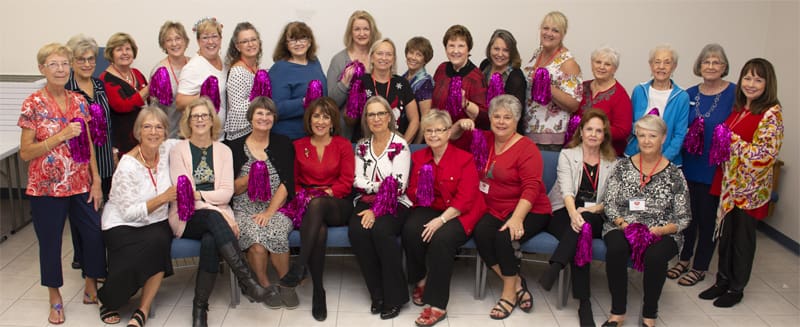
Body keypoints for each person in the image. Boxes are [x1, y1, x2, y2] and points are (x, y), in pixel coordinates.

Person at [18, 43, 106, 325]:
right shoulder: (33, 103)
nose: (60, 69)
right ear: (42, 68)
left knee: (93, 233)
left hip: (81, 183)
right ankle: (54, 297)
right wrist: (60, 135)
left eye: (64, 64)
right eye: (53, 64)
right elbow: (25, 152)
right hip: (46, 187)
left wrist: (96, 182)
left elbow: (89, 143)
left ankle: (91, 284)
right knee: (51, 242)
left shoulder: (79, 101)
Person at [168, 98, 276, 327]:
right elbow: (185, 196)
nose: (199, 120)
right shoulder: (178, 150)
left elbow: (226, 194)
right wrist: (221, 214)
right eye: (195, 116)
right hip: (187, 216)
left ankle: (200, 308)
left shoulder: (224, 150)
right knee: (213, 218)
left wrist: (204, 198)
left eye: (204, 116)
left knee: (210, 241)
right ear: (188, 121)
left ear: (211, 120)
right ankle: (248, 281)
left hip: (215, 219)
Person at [450, 95, 549, 320]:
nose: (501, 121)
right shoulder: (484, 139)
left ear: (516, 121)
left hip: (531, 209)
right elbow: (452, 140)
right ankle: (515, 283)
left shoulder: (527, 148)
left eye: (508, 117)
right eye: (497, 116)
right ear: (490, 118)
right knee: (482, 233)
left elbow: (532, 188)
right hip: (494, 207)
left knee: (504, 238)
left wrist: (517, 218)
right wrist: (458, 125)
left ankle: (507, 296)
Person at [700, 58, 784, 308]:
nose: (751, 84)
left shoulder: (771, 113)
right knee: (725, 236)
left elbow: (766, 156)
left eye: (758, 79)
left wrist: (732, 140)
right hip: (728, 186)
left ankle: (737, 287)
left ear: (767, 84)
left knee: (742, 240)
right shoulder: (739, 108)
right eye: (747, 78)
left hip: (749, 191)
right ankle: (722, 280)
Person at [601, 115, 691, 327]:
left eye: (652, 135)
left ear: (663, 138)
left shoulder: (674, 174)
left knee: (655, 257)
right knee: (615, 249)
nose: (647, 140)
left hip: (662, 229)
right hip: (623, 224)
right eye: (642, 135)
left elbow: (684, 216)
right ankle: (617, 312)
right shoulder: (622, 167)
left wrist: (660, 230)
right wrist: (625, 225)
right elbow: (610, 203)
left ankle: (649, 314)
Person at [403, 110, 487, 327]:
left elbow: (466, 199)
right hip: (433, 205)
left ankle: (437, 304)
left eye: (438, 130)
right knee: (411, 229)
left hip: (462, 211)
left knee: (442, 239)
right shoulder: (418, 157)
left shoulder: (464, 158)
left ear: (449, 132)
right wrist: (423, 188)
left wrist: (440, 221)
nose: (433, 135)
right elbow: (412, 191)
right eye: (428, 131)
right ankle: (421, 278)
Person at [97, 107, 177, 327]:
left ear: (165, 132)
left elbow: (195, 141)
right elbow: (129, 212)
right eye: (147, 127)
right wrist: (163, 198)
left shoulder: (169, 148)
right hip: (123, 222)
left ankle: (143, 309)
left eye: (159, 127)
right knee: (133, 256)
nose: (153, 132)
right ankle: (109, 299)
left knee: (159, 241)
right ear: (138, 132)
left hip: (156, 221)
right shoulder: (127, 165)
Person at [278, 97, 355, 321]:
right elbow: (295, 182)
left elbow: (346, 181)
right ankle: (318, 291)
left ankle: (300, 265)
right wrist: (307, 196)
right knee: (318, 228)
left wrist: (322, 194)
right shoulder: (298, 146)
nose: (320, 121)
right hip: (308, 205)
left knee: (318, 204)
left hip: (337, 204)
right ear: (309, 120)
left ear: (332, 122)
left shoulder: (343, 145)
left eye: (326, 116)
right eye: (316, 116)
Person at [541, 109, 618, 326]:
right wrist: (574, 213)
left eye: (599, 131)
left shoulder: (613, 162)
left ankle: (555, 266)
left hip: (595, 213)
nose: (593, 134)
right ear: (581, 132)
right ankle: (584, 304)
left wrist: (589, 212)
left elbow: (612, 199)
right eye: (589, 129)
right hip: (564, 210)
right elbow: (566, 191)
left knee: (584, 229)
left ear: (605, 136)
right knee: (580, 234)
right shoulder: (568, 154)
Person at [668, 44, 735, 286]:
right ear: (699, 66)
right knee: (688, 218)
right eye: (707, 62)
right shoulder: (689, 94)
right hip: (689, 165)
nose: (711, 66)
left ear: (724, 67)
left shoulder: (734, 94)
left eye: (716, 62)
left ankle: (700, 266)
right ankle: (683, 259)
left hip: (714, 169)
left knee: (708, 220)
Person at [225, 97, 296, 309]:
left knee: (276, 231)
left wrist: (269, 213)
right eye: (259, 113)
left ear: (274, 118)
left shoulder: (283, 143)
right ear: (250, 117)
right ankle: (264, 285)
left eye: (268, 114)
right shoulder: (234, 147)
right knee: (256, 241)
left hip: (277, 206)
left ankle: (286, 284)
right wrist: (252, 177)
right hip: (244, 208)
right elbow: (229, 188)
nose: (264, 117)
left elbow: (287, 183)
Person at [348, 96, 412, 320]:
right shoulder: (362, 145)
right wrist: (379, 187)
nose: (376, 119)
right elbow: (356, 180)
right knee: (357, 231)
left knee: (381, 231)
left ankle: (395, 297)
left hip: (395, 203)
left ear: (389, 117)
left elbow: (398, 186)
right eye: (371, 114)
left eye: (380, 113)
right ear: (366, 119)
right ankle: (377, 294)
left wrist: (375, 208)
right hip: (365, 202)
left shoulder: (400, 145)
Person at [65, 34, 115, 271]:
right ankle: (84, 260)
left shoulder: (99, 85)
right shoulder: (67, 90)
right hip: (80, 162)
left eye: (91, 59)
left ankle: (97, 258)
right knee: (85, 215)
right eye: (81, 59)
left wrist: (113, 150)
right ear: (72, 62)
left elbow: (107, 119)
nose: (87, 64)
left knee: (104, 210)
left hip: (105, 157)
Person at [522, 11, 582, 151]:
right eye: (545, 28)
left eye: (555, 30)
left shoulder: (567, 62)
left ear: (562, 35)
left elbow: (574, 104)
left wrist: (546, 86)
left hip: (551, 139)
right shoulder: (538, 53)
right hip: (529, 131)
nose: (548, 33)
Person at [624, 44, 689, 165]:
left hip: (667, 161)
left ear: (674, 66)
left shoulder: (682, 96)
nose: (661, 67)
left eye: (667, 62)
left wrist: (663, 160)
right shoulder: (639, 90)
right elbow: (630, 124)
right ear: (650, 65)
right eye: (657, 62)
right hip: (635, 156)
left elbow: (680, 135)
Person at [327, 10, 382, 140]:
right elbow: (331, 102)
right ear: (350, 33)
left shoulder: (379, 57)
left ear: (372, 31)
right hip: (345, 132)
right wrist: (345, 83)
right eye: (357, 29)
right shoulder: (339, 60)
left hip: (376, 129)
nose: (362, 33)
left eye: (366, 29)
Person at [431, 24, 488, 145]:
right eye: (451, 45)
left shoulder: (476, 77)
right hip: (438, 139)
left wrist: (465, 104)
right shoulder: (441, 69)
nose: (455, 51)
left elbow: (485, 119)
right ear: (446, 48)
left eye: (461, 46)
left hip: (464, 143)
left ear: (468, 49)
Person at [270, 21, 327, 140]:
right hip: (289, 137)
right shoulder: (279, 69)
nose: (298, 43)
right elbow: (275, 108)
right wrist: (304, 102)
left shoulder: (314, 62)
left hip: (315, 133)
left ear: (310, 41)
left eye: (303, 38)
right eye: (293, 40)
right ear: (286, 44)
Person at [357, 38, 419, 143]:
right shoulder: (361, 82)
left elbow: (414, 120)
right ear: (372, 57)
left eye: (389, 54)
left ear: (394, 59)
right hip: (366, 146)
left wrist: (402, 145)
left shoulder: (402, 83)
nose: (384, 58)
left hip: (395, 146)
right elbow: (349, 119)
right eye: (380, 53)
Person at [175, 17, 227, 137]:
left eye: (214, 36)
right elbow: (180, 102)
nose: (210, 42)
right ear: (198, 41)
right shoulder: (193, 67)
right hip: (203, 136)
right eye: (205, 37)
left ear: (220, 39)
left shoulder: (224, 61)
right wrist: (204, 95)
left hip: (222, 135)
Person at [577, 47, 632, 156]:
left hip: (607, 154)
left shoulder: (620, 95)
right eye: (598, 62)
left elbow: (623, 131)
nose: (601, 67)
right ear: (592, 64)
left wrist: (593, 131)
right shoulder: (582, 87)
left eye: (607, 64)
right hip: (580, 150)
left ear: (614, 69)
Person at [100, 32, 149, 154]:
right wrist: (150, 88)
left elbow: (149, 101)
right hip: (123, 142)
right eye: (119, 49)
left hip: (144, 137)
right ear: (111, 53)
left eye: (128, 49)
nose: (125, 53)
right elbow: (122, 106)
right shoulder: (105, 79)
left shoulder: (137, 73)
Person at [479, 29, 527, 134]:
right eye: (496, 49)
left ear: (512, 52)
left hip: (505, 133)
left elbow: (516, 116)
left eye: (506, 50)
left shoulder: (516, 77)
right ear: (490, 49)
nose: (500, 54)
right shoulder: (485, 65)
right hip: (483, 129)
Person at [150, 21, 191, 138]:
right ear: (163, 45)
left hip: (196, 136)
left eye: (178, 38)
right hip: (170, 137)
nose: (174, 43)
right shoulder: (159, 71)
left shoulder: (195, 65)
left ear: (185, 41)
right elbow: (154, 112)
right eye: (169, 40)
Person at [224, 22, 263, 140]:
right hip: (242, 136)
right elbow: (237, 111)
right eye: (245, 41)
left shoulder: (256, 67)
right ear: (237, 46)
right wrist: (260, 101)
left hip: (257, 131)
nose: (250, 44)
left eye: (253, 39)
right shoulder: (238, 72)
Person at [401, 36, 435, 143]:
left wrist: (416, 145)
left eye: (419, 55)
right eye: (411, 53)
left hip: (415, 139)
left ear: (425, 59)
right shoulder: (403, 78)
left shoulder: (425, 82)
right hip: (402, 133)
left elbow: (425, 119)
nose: (413, 57)